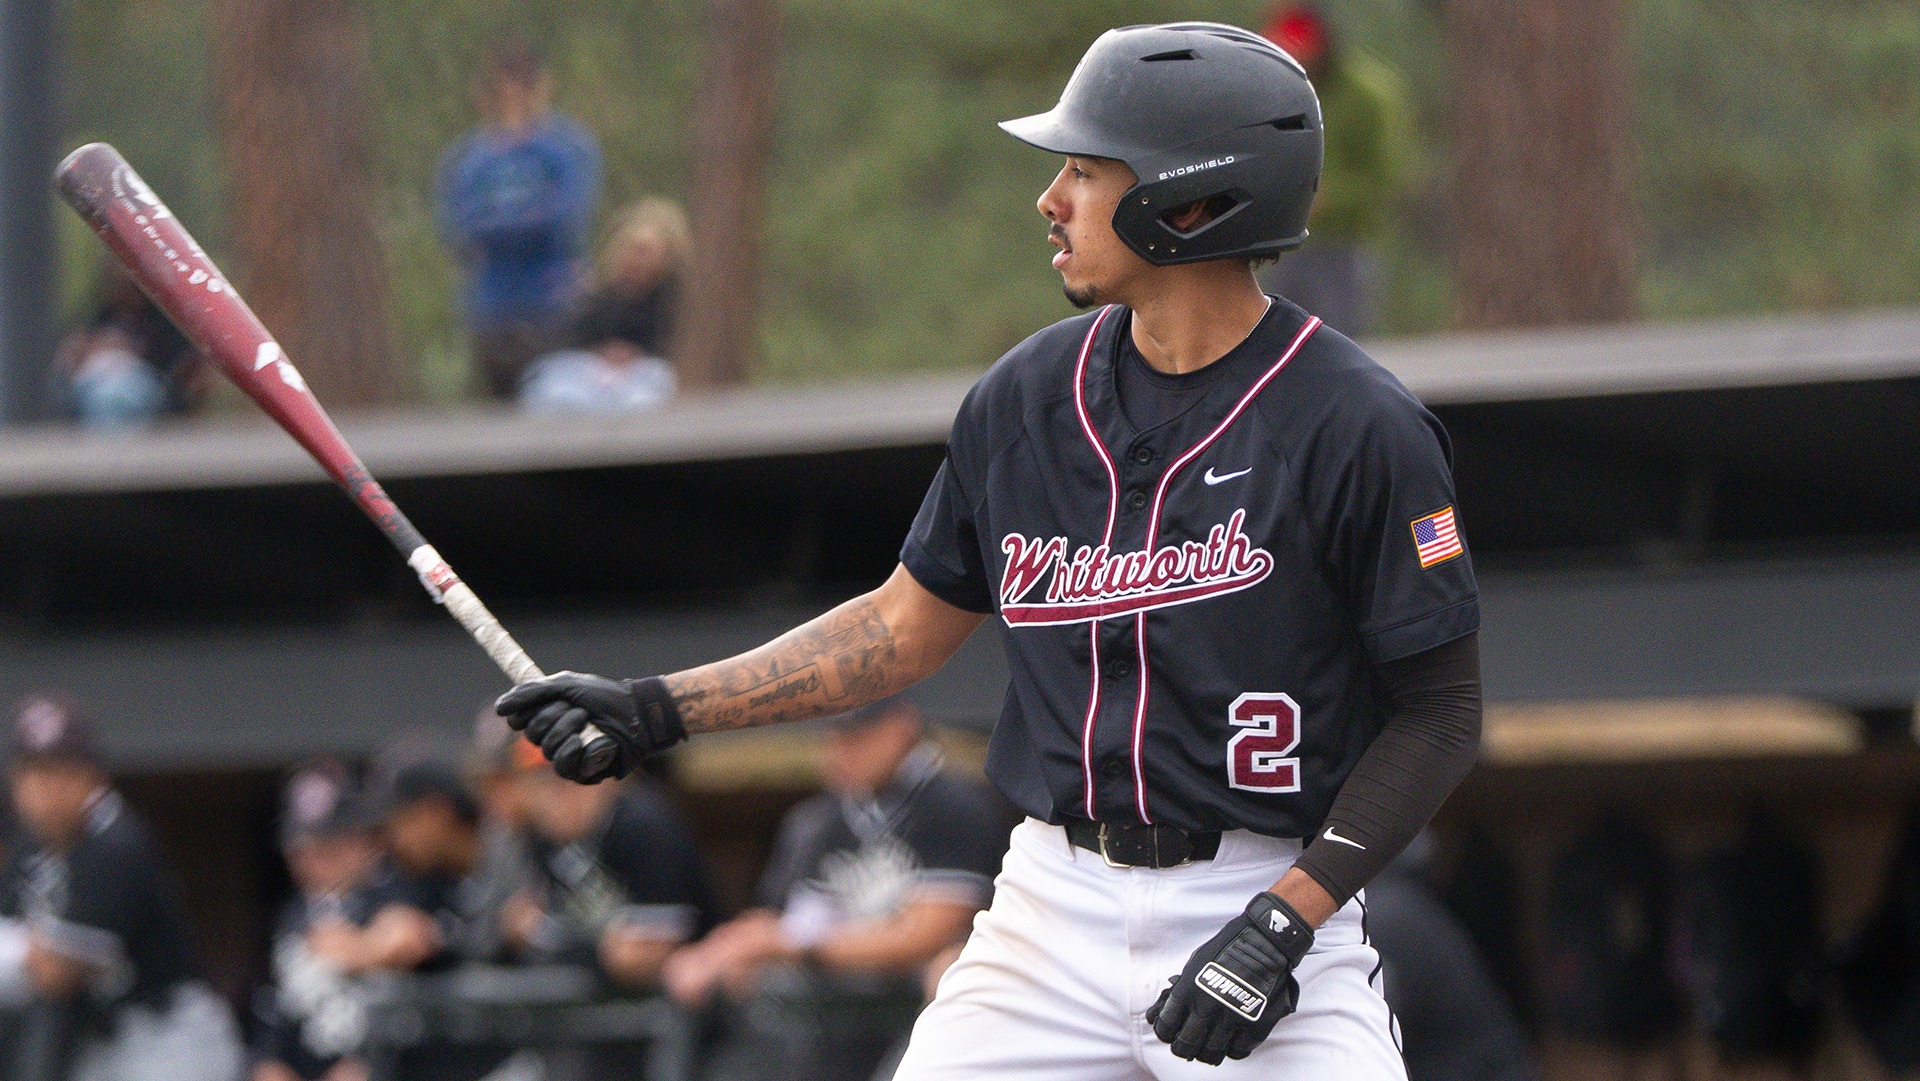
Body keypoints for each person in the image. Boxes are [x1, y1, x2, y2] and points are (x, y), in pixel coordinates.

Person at [499, 21, 1481, 1080]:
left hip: (1267, 894)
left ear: (1192, 200)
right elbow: (898, 626)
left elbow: (1439, 713)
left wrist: (1283, 925)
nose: (1050, 201)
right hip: (1053, 905)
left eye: (1086, 171)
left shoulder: (1358, 425)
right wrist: (657, 710)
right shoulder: (1024, 399)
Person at [661, 697, 1007, 1081]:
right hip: (829, 1017)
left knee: (944, 976)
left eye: (853, 737)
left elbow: (926, 936)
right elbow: (777, 919)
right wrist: (719, 951)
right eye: (832, 737)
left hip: (913, 1008)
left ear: (900, 729)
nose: (837, 751)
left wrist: (792, 944)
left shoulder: (953, 805)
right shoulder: (817, 820)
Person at [0, 694, 245, 1081]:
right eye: (35, 774)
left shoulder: (114, 841)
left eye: (62, 772)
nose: (47, 791)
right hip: (103, 1040)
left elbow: (56, 973)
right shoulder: (29, 846)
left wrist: (22, 949)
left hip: (168, 1039)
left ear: (94, 776)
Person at [437, 40, 603, 400]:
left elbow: (566, 219)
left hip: (552, 303)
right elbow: (458, 227)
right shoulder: (469, 158)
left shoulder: (567, 148)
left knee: (555, 400)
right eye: (502, 87)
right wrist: (520, 221)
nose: (512, 96)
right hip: (492, 307)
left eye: (522, 85)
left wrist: (503, 223)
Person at [1256, 4, 1410, 338]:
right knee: (1276, 340)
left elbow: (1382, 178)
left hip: (1343, 245)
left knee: (1341, 338)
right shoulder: (1271, 93)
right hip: (1282, 246)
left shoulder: (1368, 96)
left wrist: (1326, 199)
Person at [500, 763, 715, 988]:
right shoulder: (545, 840)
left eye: (571, 783)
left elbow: (648, 955)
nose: (557, 800)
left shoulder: (643, 826)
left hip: (687, 991)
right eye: (543, 786)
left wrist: (545, 935)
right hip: (598, 994)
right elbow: (519, 925)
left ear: (607, 780)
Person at [250, 761, 390, 1081]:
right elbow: (276, 1012)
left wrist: (362, 948)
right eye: (302, 852)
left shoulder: (388, 897)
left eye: (329, 849)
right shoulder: (293, 914)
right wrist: (269, 1063)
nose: (314, 864)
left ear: (364, 843)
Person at [518, 198, 689, 414]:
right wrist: (601, 353)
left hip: (646, 376)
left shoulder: (675, 303)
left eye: (646, 251)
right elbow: (572, 339)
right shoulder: (603, 299)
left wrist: (636, 355)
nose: (638, 260)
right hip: (596, 378)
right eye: (633, 250)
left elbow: (675, 348)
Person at [55, 265, 204, 429]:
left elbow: (181, 366)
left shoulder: (163, 317)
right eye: (115, 281)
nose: (121, 287)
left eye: (128, 283)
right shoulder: (103, 314)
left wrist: (131, 351)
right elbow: (73, 350)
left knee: (113, 396)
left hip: (146, 387)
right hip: (95, 382)